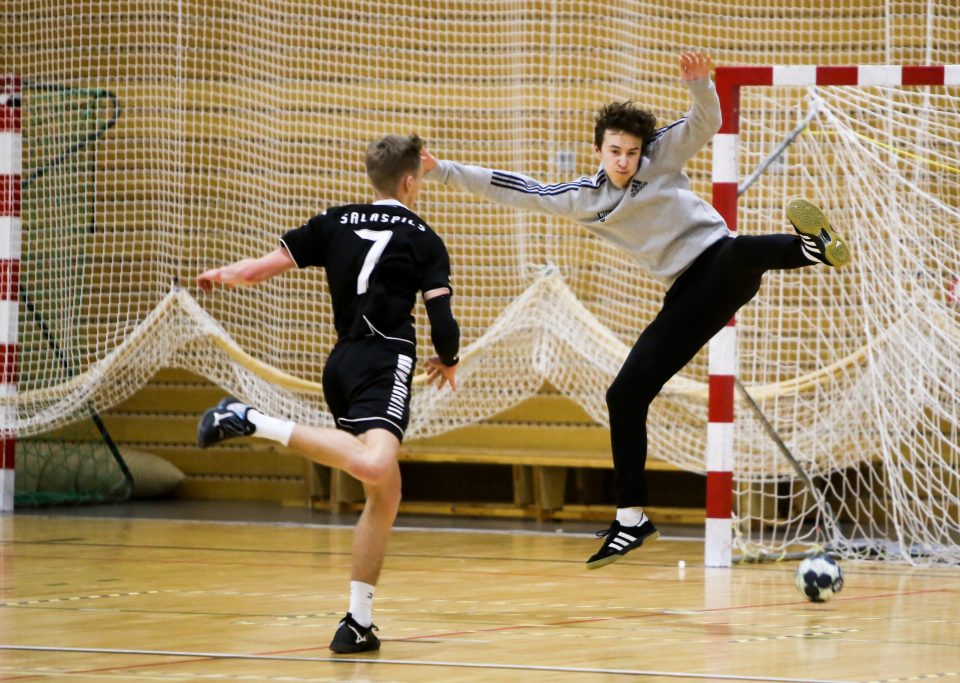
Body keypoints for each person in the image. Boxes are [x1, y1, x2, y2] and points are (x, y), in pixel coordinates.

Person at [421, 51, 850, 569]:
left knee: (738, 251)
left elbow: (706, 123)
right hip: (688, 296)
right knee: (624, 395)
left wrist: (700, 85)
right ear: (599, 151)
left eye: (631, 152)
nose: (624, 161)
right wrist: (443, 171)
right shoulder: (584, 197)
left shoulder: (660, 157)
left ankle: (811, 248)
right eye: (614, 152)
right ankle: (630, 521)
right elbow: (520, 190)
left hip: (720, 260)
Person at [194, 134, 460, 653]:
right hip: (385, 359)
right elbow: (443, 322)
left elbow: (257, 270)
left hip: (340, 365)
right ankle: (249, 418)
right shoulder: (424, 237)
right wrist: (447, 359)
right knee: (376, 466)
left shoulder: (334, 220)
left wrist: (224, 274)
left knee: (385, 494)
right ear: (410, 181)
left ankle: (357, 623)